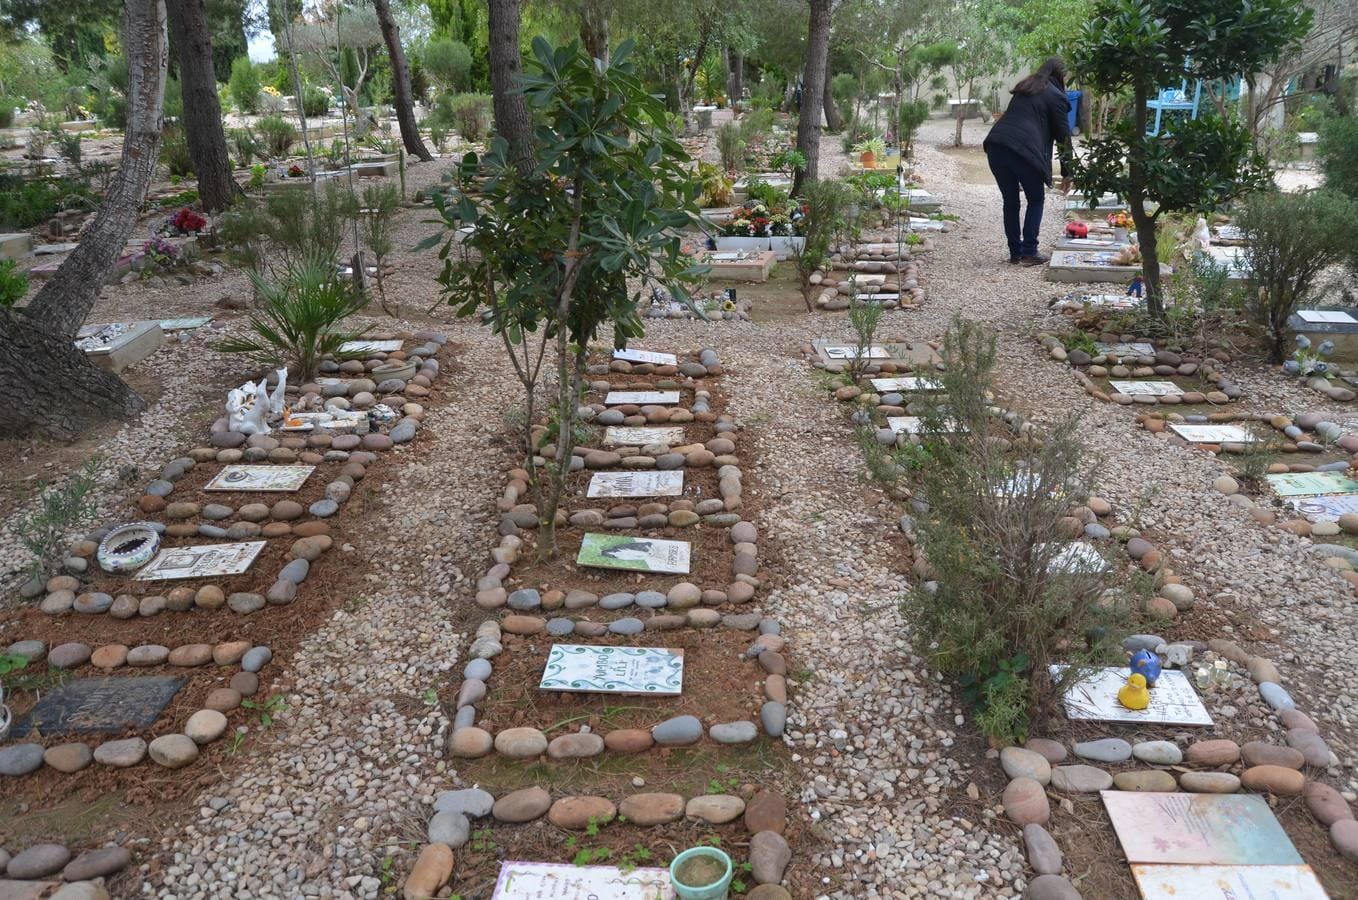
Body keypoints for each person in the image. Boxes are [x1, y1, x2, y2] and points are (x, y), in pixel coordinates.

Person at [982, 57, 1073, 266]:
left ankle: (1015, 253)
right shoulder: (1056, 96)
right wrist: (1068, 173)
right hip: (1023, 151)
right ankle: (1030, 251)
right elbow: (1064, 138)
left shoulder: (1026, 87)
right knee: (1036, 199)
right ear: (1060, 75)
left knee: (1011, 201)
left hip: (996, 145)